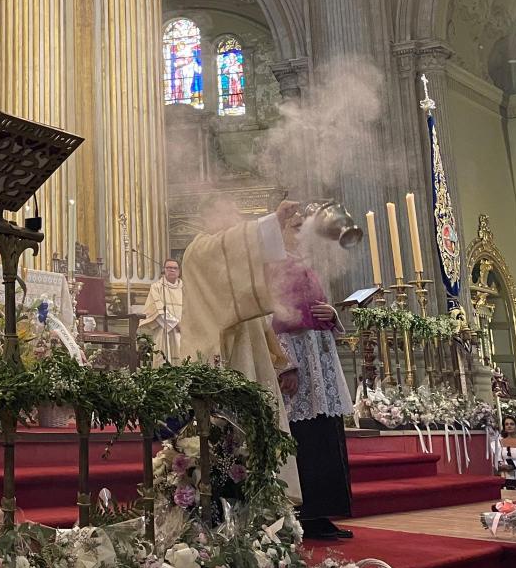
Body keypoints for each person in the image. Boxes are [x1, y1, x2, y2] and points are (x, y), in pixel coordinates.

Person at [179, 200, 304, 504]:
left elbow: (260, 309)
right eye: (229, 214)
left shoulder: (231, 261)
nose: (236, 221)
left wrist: (280, 358)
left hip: (252, 357)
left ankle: (267, 498)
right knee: (228, 437)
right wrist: (272, 221)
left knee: (259, 429)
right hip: (222, 356)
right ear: (209, 217)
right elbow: (231, 246)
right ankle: (228, 502)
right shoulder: (198, 251)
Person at [269, 206, 355, 540]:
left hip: (321, 357)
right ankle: (302, 514)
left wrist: (332, 314)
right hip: (297, 356)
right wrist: (285, 364)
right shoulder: (273, 265)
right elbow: (269, 318)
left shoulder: (306, 263)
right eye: (295, 226)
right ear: (280, 230)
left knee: (326, 432)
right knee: (303, 436)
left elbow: (318, 308)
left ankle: (323, 512)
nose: (302, 232)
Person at [139, 257, 183, 363]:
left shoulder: (185, 288)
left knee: (183, 359)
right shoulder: (157, 287)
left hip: (183, 330)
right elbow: (157, 310)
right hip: (164, 329)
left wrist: (184, 325)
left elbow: (191, 308)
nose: (172, 270)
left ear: (179, 271)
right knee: (163, 359)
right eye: (169, 268)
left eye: (175, 268)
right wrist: (175, 324)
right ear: (164, 270)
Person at [494, 414, 516, 491]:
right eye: (506, 424)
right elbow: (496, 461)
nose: (509, 426)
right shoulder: (498, 443)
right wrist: (501, 467)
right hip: (504, 476)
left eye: (512, 424)